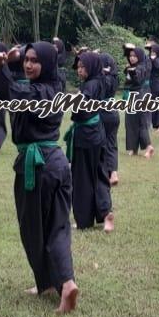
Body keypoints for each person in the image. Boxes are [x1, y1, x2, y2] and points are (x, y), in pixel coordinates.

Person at [0, 41, 79, 313]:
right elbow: (6, 91)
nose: (28, 64)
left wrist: (3, 64)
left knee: (33, 228)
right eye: (26, 59)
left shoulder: (36, 92)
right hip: (58, 164)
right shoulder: (55, 86)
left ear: (46, 63)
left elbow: (13, 92)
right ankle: (60, 283)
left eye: (35, 60)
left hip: (38, 167)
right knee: (58, 228)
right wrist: (4, 65)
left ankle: (55, 283)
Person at [66, 51, 114, 232]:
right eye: (78, 67)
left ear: (92, 67)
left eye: (83, 67)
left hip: (86, 135)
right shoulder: (100, 81)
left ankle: (84, 220)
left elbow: (83, 101)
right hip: (97, 132)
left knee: (82, 178)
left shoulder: (90, 85)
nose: (79, 70)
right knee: (100, 174)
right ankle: (105, 212)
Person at [123, 43, 154, 158]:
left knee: (141, 122)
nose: (132, 58)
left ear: (140, 57)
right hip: (134, 95)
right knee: (130, 121)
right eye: (131, 56)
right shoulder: (134, 66)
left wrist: (131, 71)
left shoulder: (141, 67)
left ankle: (148, 146)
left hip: (140, 95)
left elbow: (137, 78)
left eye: (135, 56)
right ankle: (133, 148)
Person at [99, 52, 121, 186]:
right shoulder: (115, 78)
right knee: (111, 143)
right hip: (113, 112)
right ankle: (113, 173)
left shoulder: (102, 79)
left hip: (102, 112)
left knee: (101, 143)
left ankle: (103, 172)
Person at [147, 41, 159, 132]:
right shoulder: (150, 58)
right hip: (151, 84)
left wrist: (153, 58)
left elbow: (157, 65)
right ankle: (153, 124)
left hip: (157, 85)